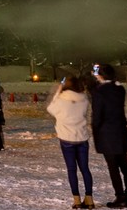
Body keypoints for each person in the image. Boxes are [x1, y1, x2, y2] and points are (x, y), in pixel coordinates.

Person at [91, 64, 127, 210]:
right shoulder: (119, 89)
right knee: (125, 165)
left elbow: (97, 115)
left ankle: (120, 197)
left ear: (102, 75)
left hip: (107, 133)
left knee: (113, 167)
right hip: (120, 131)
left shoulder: (99, 92)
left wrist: (95, 130)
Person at [49, 75, 96, 210]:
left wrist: (58, 90)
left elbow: (51, 109)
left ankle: (76, 200)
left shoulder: (61, 100)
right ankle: (89, 199)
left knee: (72, 169)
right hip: (81, 137)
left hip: (66, 138)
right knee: (85, 169)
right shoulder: (84, 99)